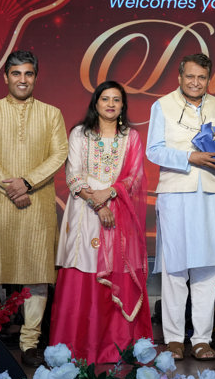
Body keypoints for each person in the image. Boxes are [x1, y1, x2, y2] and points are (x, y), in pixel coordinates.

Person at [0, 50, 67, 367]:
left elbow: (59, 154)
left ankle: (29, 344)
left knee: (37, 276)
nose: (22, 79)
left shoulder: (51, 114)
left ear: (36, 77)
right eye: (16, 73)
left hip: (36, 204)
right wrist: (11, 186)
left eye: (28, 73)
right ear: (5, 77)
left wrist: (27, 182)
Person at [51, 81, 151, 364]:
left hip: (119, 211)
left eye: (116, 100)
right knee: (83, 267)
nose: (110, 104)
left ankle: (114, 347)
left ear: (123, 106)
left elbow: (134, 176)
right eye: (105, 99)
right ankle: (78, 348)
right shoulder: (80, 134)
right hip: (84, 211)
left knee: (117, 269)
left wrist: (110, 193)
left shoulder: (131, 137)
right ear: (95, 103)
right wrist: (97, 203)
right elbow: (73, 175)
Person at [146, 54, 215, 361]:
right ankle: (174, 338)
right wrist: (189, 157)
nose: (195, 82)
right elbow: (154, 151)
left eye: (201, 77)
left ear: (208, 79)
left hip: (210, 192)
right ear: (179, 77)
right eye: (190, 77)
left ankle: (201, 339)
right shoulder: (162, 105)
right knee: (175, 268)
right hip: (176, 192)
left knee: (207, 269)